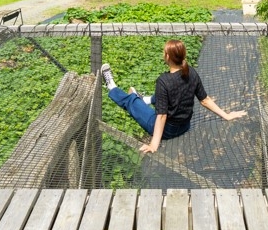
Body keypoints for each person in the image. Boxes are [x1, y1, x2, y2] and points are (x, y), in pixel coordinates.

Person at [100, 38, 247, 154]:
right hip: (185, 126)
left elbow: (162, 116)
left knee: (132, 103)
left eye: (164, 52)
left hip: (167, 130)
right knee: (169, 95)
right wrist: (226, 115)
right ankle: (146, 99)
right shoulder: (191, 72)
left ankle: (112, 87)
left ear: (168, 56)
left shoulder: (163, 81)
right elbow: (205, 100)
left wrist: (154, 144)